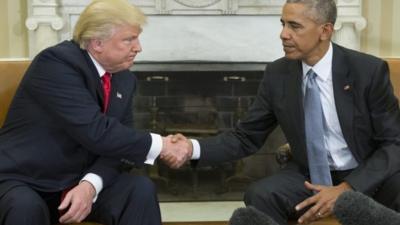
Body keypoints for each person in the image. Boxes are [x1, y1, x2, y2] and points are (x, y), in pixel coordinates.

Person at [167, 0, 400, 224]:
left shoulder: (366, 70)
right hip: (308, 176)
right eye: (283, 24)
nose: (283, 34)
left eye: (295, 26)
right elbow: (246, 137)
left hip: (365, 171)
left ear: (325, 31)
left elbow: (393, 143)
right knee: (260, 195)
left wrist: (347, 189)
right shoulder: (277, 74)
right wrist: (191, 148)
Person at [0, 0, 192, 225]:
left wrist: (91, 185)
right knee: (24, 206)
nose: (138, 47)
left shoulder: (124, 78)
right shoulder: (56, 63)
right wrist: (162, 145)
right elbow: (97, 131)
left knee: (138, 189)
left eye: (137, 38)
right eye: (129, 39)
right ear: (97, 43)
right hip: (27, 179)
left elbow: (120, 145)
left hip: (78, 180)